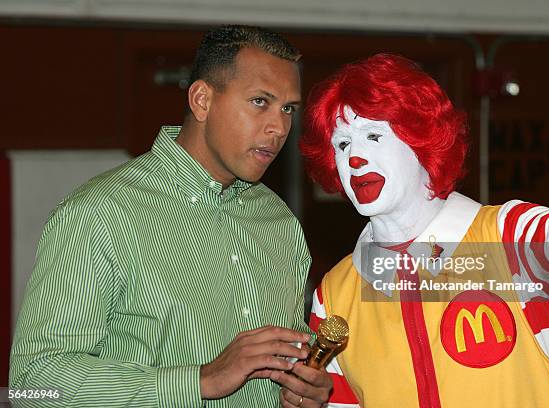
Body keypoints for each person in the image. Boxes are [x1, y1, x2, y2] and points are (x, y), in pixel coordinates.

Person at [10, 25, 331, 408]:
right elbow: (33, 384)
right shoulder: (100, 213)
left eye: (288, 109)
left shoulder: (278, 222)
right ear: (201, 100)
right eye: (260, 102)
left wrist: (304, 389)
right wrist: (198, 381)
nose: (279, 128)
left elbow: (287, 366)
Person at [300, 53, 549, 407]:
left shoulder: (503, 236)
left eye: (373, 136)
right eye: (342, 144)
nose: (354, 158)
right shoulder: (336, 294)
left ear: (420, 141)